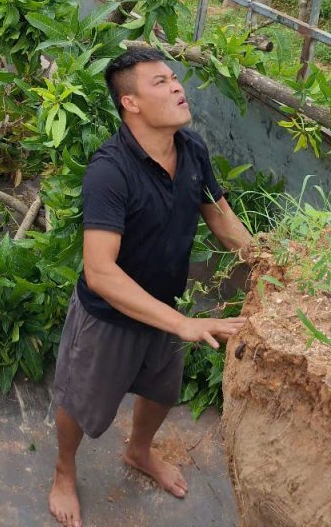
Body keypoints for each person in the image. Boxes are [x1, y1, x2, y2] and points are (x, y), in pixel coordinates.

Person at [48, 47, 252, 527]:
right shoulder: (110, 171)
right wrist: (183, 323)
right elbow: (100, 271)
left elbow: (221, 220)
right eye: (160, 82)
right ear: (131, 103)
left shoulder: (192, 149)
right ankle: (63, 470)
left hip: (165, 308)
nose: (178, 86)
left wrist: (269, 264)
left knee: (162, 391)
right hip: (108, 319)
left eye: (175, 78)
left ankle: (139, 451)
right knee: (80, 404)